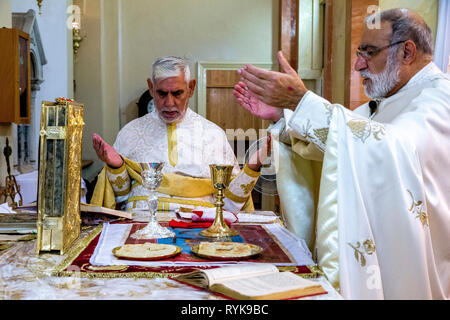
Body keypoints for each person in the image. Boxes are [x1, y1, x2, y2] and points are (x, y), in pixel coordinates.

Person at [233, 8, 449, 300]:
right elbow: (339, 147)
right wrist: (285, 118)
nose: (358, 64)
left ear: (407, 52)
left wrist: (301, 101)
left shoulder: (438, 99)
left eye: (368, 52)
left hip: (413, 266)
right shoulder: (389, 100)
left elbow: (393, 148)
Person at [91, 56, 269, 213]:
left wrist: (252, 167)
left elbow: (229, 204)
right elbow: (121, 199)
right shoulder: (130, 132)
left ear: (191, 88)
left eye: (177, 93)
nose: (169, 102)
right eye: (162, 93)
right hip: (141, 228)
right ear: (151, 88)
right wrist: (116, 166)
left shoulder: (213, 134)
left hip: (198, 230)